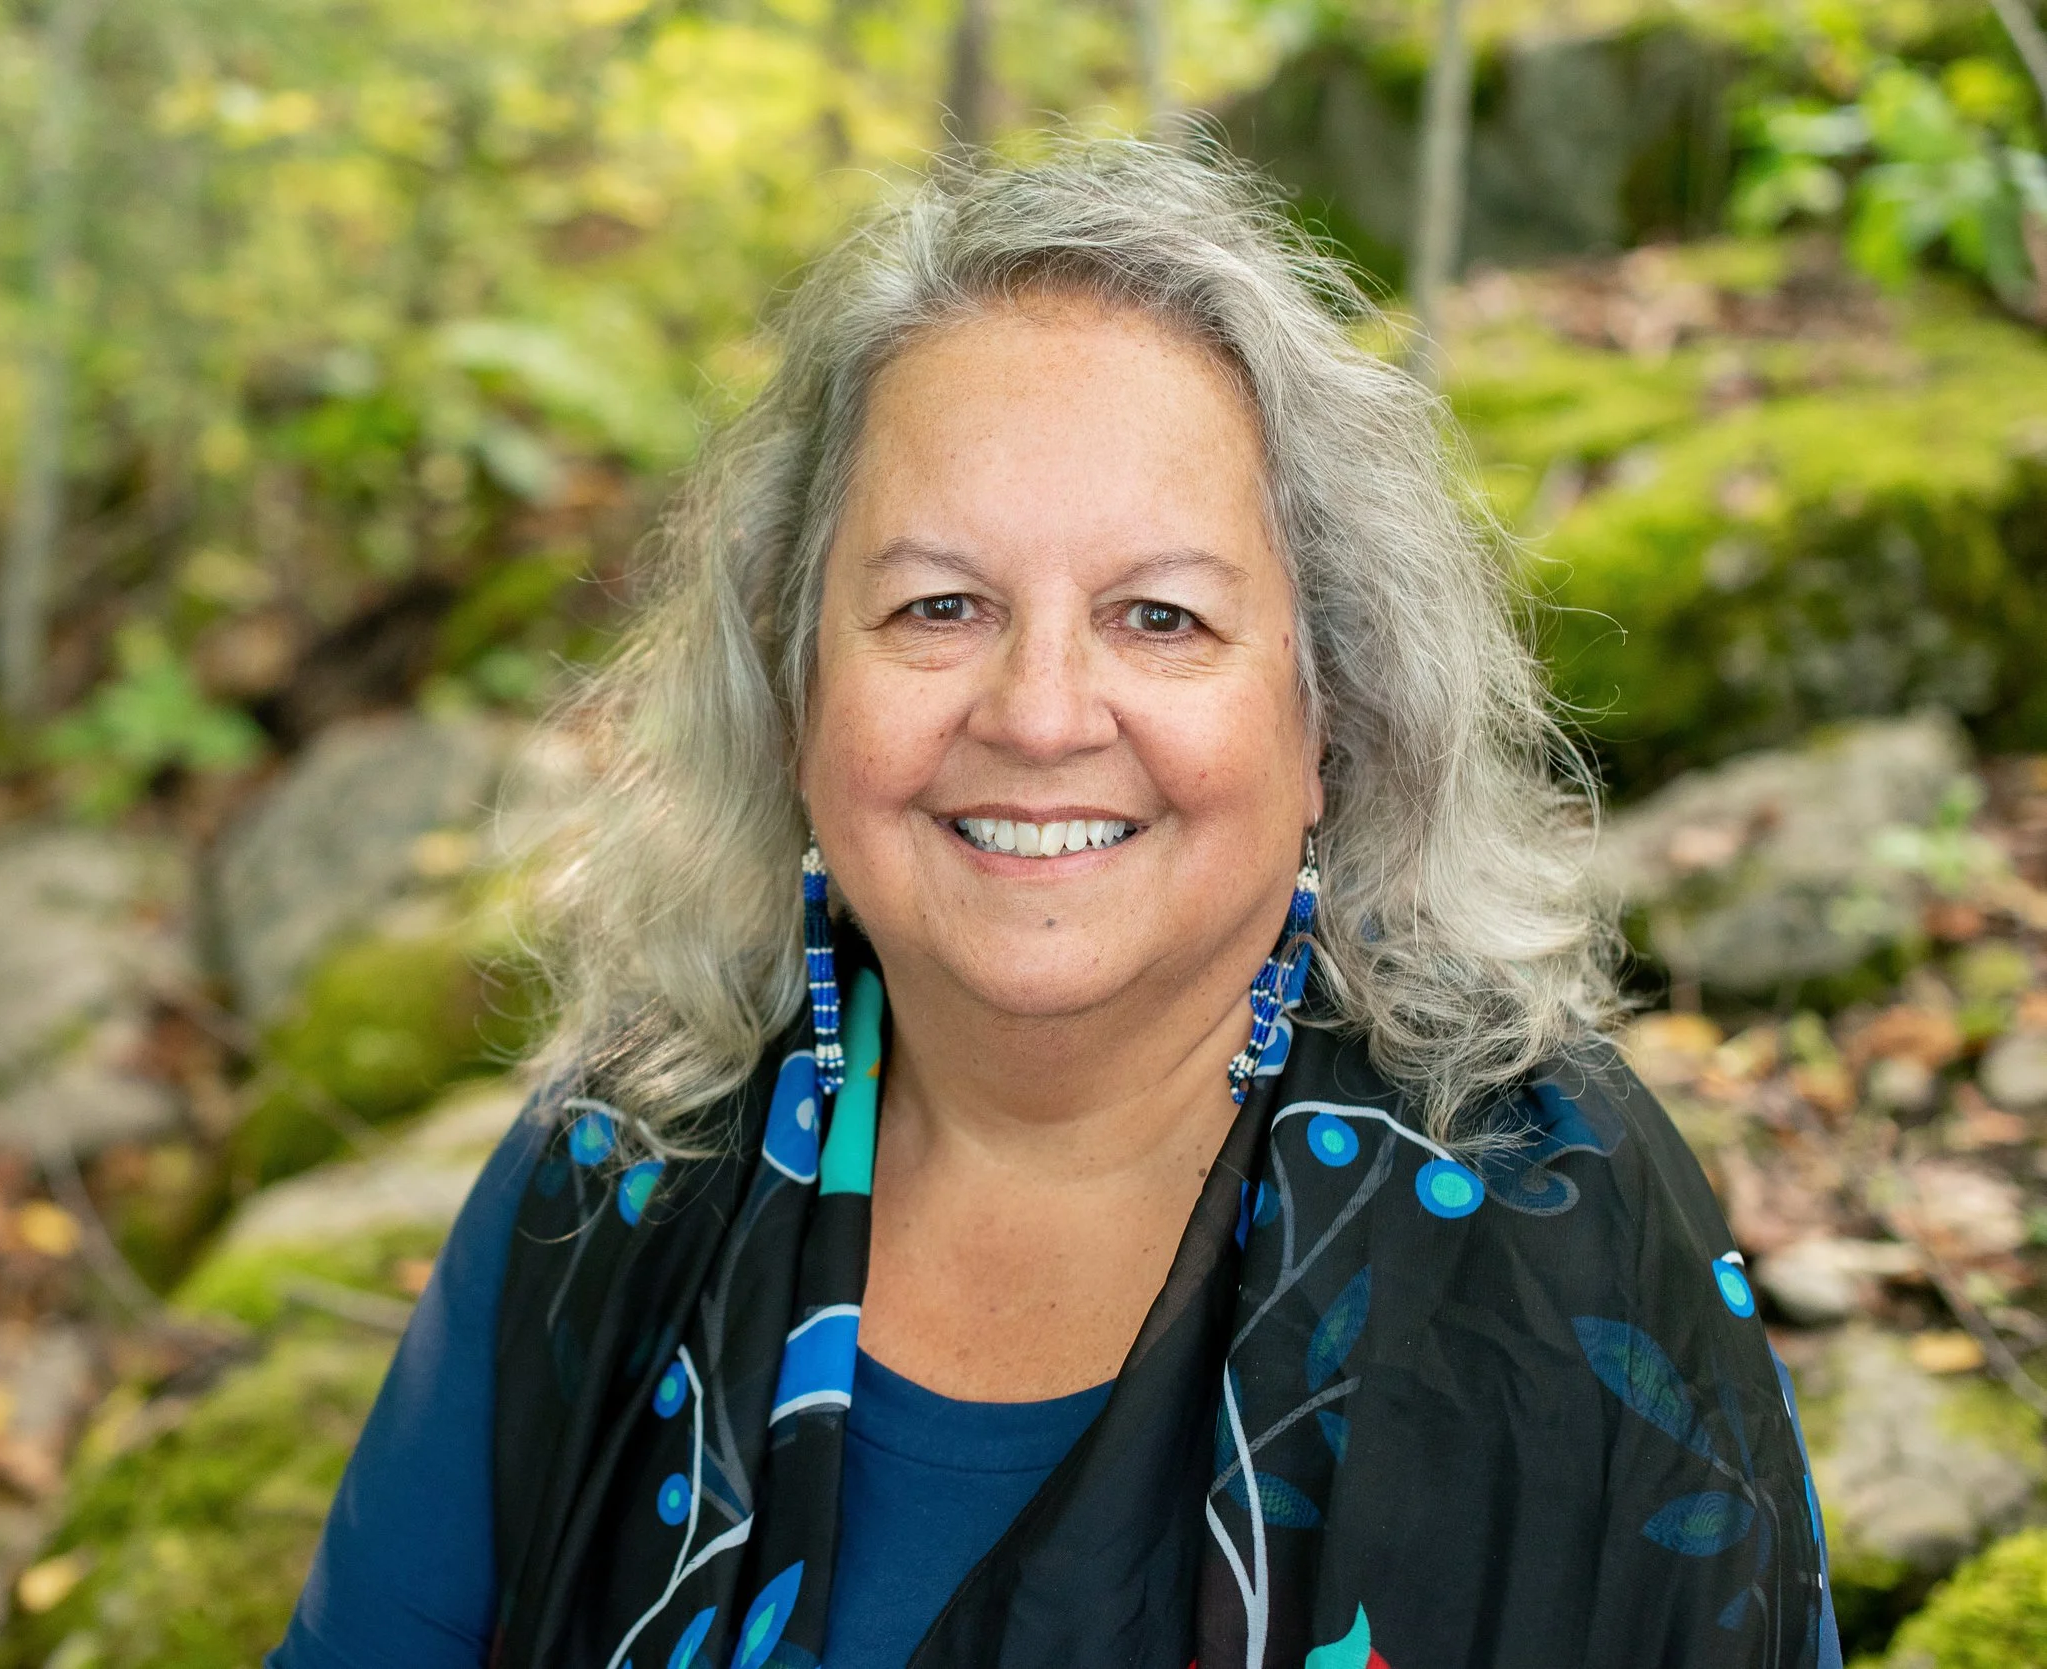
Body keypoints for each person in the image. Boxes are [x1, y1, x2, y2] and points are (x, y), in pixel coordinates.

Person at [270, 140, 1841, 1669]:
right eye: (937, 605)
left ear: (1331, 719)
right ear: (795, 691)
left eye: (1161, 616)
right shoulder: (617, 1177)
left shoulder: (1555, 1232)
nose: (1038, 714)